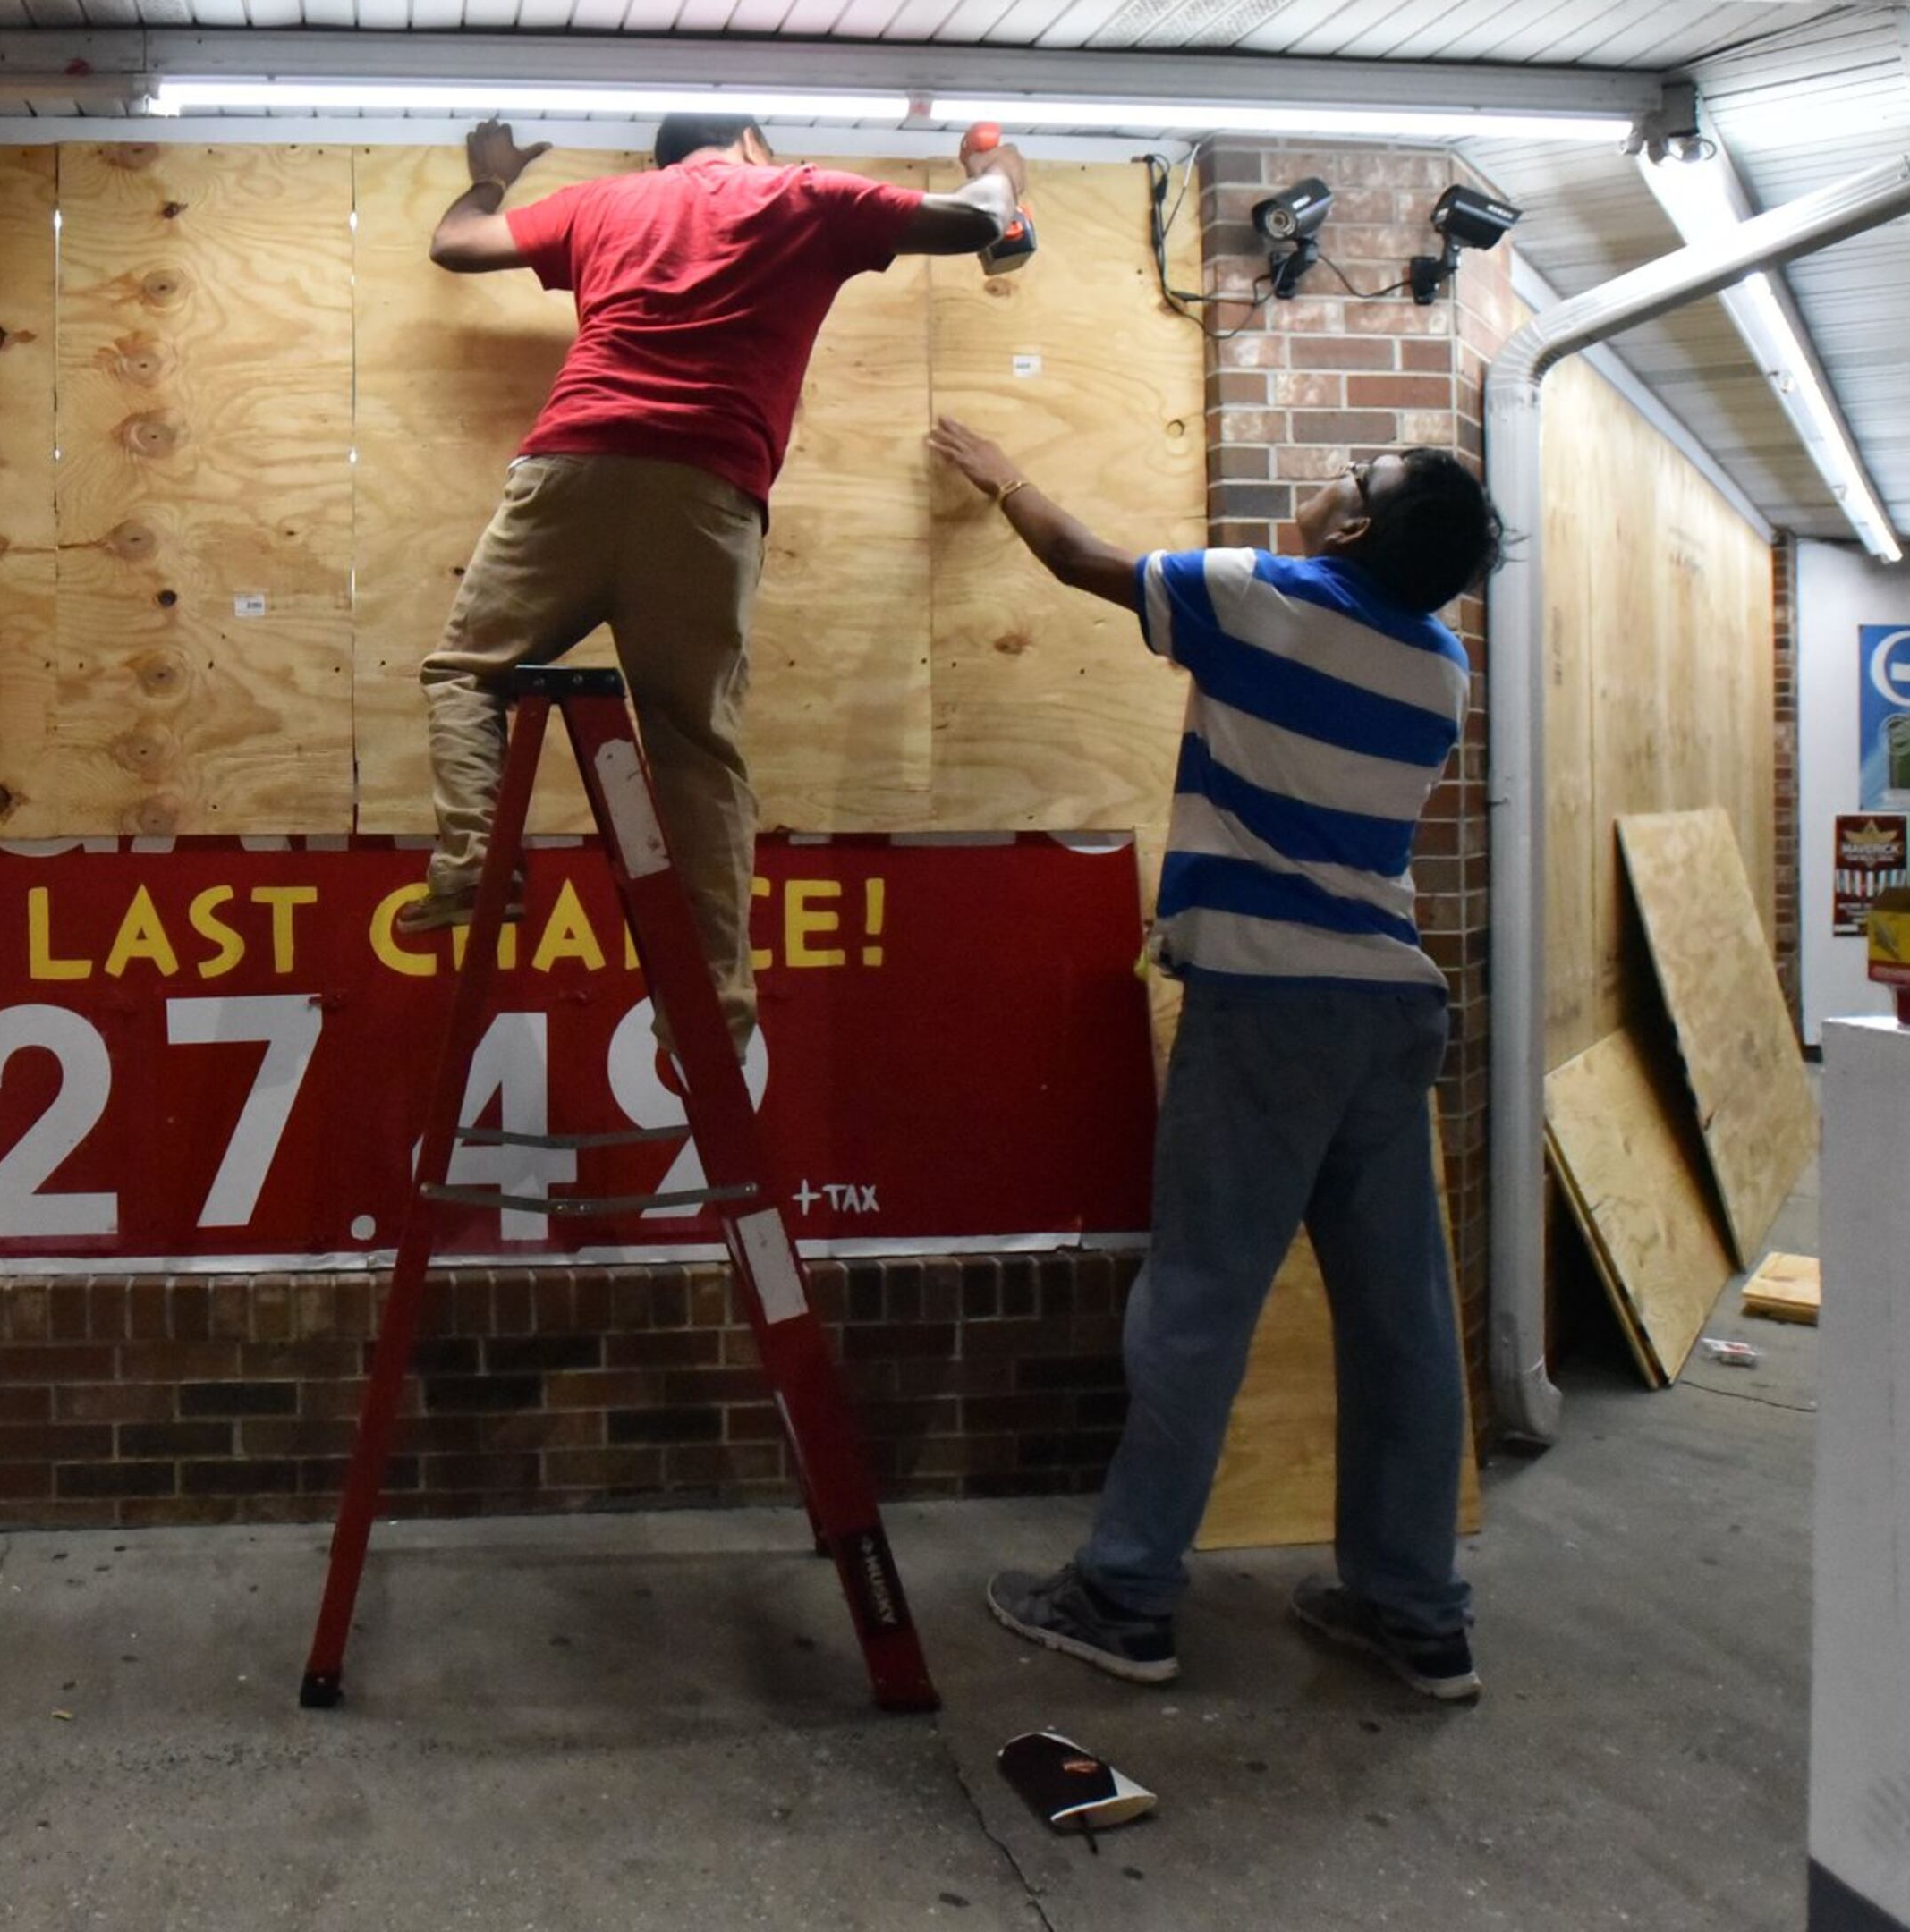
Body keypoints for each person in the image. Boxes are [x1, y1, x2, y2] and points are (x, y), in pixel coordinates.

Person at [927, 417, 1505, 1701]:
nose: (1329, 479)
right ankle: (1416, 1615)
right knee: (1402, 1320)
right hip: (1388, 1012)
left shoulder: (1259, 597)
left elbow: (1084, 562)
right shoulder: (1441, 668)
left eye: (1354, 477)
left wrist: (1001, 474)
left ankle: (1125, 1597)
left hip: (1268, 1009)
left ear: (1352, 525)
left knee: (1197, 1301)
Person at [407, 114, 1027, 1049]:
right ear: (748, 141)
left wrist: (490, 178)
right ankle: (712, 1013)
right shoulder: (803, 194)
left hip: (570, 472)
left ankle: (468, 868)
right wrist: (995, 167)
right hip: (707, 492)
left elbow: (454, 244)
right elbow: (975, 223)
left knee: (467, 673)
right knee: (694, 747)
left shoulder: (602, 204)